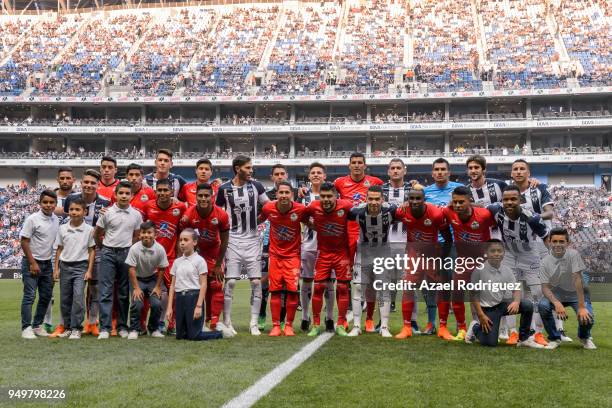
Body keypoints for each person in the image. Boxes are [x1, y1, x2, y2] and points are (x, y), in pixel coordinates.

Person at [487, 185, 550, 346]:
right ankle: (513, 333)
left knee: (536, 293)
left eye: (513, 199)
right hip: (508, 255)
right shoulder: (495, 209)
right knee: (509, 294)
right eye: (506, 199)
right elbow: (476, 208)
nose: (509, 202)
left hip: (529, 255)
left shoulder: (532, 218)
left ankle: (537, 333)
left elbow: (546, 237)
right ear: (502, 200)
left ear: (520, 200)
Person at [216, 155, 269, 335]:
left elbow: (268, 208)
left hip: (253, 240)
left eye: (251, 167)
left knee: (255, 282)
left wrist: (257, 220)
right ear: (237, 168)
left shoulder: (257, 186)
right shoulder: (224, 189)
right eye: (247, 167)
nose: (251, 170)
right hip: (232, 239)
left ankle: (253, 323)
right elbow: (218, 214)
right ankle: (227, 321)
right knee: (230, 282)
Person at [334, 152, 383, 331]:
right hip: (346, 234)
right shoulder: (339, 183)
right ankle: (344, 316)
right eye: (353, 162)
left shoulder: (375, 182)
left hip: (368, 235)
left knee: (370, 279)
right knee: (345, 278)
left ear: (365, 165)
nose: (356, 165)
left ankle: (369, 318)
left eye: (359, 162)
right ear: (349, 165)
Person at [394, 186, 451, 339]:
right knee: (408, 288)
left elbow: (447, 237)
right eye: (411, 198)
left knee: (440, 289)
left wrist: (444, 257)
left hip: (433, 254)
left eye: (418, 198)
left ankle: (442, 327)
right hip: (414, 253)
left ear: (424, 199)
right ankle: (406, 327)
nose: (414, 201)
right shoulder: (402, 211)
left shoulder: (435, 213)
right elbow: (390, 214)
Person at [464, 240, 544, 348]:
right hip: (487, 310)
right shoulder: (479, 271)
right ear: (486, 253)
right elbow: (474, 295)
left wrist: (516, 301)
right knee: (491, 343)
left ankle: (524, 339)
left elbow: (516, 289)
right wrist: (481, 315)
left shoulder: (507, 270)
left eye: (499, 251)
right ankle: (475, 327)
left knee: (527, 305)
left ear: (503, 253)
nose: (496, 254)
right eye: (493, 251)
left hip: (501, 305)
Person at [441, 186, 497, 341]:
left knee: (486, 297)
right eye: (455, 202)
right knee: (457, 294)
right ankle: (462, 329)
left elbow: (496, 224)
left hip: (483, 261)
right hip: (463, 259)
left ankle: (491, 328)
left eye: (461, 202)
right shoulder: (448, 212)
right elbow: (442, 223)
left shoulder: (484, 214)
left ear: (470, 201)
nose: (458, 205)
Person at [63, 169, 112, 337]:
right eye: (86, 182)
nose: (89, 185)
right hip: (74, 252)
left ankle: (92, 322)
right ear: (81, 183)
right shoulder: (71, 199)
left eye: (93, 183)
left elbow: (106, 227)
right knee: (74, 291)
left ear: (98, 185)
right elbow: (66, 220)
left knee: (95, 288)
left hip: (96, 252)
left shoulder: (105, 202)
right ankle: (70, 324)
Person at [347, 185, 397, 338]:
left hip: (383, 252)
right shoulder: (357, 212)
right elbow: (343, 213)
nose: (374, 202)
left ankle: (384, 326)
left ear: (382, 199)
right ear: (366, 199)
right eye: (371, 199)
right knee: (358, 288)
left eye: (377, 199)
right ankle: (356, 326)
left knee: (383, 290)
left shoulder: (391, 211)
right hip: (364, 252)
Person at [304, 182, 354, 337]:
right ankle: (316, 324)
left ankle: (340, 324)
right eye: (323, 196)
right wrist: (314, 226)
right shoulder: (313, 206)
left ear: (336, 196)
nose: (325, 199)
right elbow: (302, 216)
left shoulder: (346, 206)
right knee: (318, 288)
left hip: (342, 254)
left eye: (329, 196)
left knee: (343, 288)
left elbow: (358, 217)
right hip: (324, 254)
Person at [94, 181, 142, 339]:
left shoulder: (136, 214)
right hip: (108, 252)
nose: (124, 196)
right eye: (121, 193)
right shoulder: (107, 213)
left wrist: (129, 249)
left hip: (126, 254)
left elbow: (136, 236)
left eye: (127, 193)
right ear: (115, 194)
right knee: (106, 292)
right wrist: (103, 247)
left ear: (131, 195)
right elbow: (97, 233)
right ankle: (105, 328)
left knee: (123, 293)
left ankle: (122, 326)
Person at [422, 158, 464, 335]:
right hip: (431, 244)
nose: (439, 172)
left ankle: (458, 323)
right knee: (430, 284)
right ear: (432, 173)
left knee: (454, 284)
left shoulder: (458, 189)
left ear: (449, 172)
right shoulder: (425, 192)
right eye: (436, 169)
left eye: (443, 169)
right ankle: (432, 323)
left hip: (453, 243)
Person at [260, 181, 307, 336]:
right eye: (281, 192)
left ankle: (288, 325)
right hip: (275, 256)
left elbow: (311, 222)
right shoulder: (268, 208)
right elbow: (257, 220)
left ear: (292, 195)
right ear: (276, 194)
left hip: (293, 257)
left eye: (287, 193)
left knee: (292, 292)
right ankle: (275, 326)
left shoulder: (300, 209)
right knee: (275, 291)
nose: (284, 195)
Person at [181, 183, 229, 332]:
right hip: (197, 254)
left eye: (206, 196)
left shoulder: (221, 214)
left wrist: (218, 264)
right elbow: (183, 240)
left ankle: (213, 321)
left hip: (214, 253)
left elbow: (225, 241)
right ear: (196, 197)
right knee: (196, 286)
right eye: (200, 196)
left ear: (212, 197)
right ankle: (198, 320)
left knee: (215, 284)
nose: (203, 198)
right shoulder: (188, 215)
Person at [166, 229, 230, 341]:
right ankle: (198, 329)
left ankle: (220, 333)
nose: (182, 243)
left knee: (194, 336)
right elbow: (172, 286)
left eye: (186, 240)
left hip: (193, 298)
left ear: (194, 242)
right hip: (180, 298)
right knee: (180, 336)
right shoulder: (177, 262)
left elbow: (203, 284)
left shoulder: (199, 261)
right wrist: (169, 307)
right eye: (180, 240)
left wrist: (199, 306)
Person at [538, 228, 596, 350]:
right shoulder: (544, 261)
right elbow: (545, 288)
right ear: (549, 242)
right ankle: (554, 338)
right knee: (543, 306)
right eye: (554, 241)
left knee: (587, 316)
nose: (558, 244)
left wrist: (581, 307)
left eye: (561, 241)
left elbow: (578, 281)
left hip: (576, 293)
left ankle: (584, 337)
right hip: (556, 294)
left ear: (567, 243)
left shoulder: (574, 255)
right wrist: (557, 303)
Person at [143, 178, 187, 334]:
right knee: (151, 293)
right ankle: (149, 324)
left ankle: (170, 324)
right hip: (150, 258)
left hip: (171, 259)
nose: (162, 193)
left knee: (174, 293)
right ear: (155, 192)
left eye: (165, 190)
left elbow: (184, 229)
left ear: (171, 192)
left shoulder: (180, 207)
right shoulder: (148, 206)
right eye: (159, 190)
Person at [383, 158, 420, 330]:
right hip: (386, 243)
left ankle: (412, 322)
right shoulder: (381, 190)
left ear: (405, 170)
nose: (396, 170)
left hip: (408, 243)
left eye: (399, 168)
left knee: (409, 284)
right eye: (393, 168)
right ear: (388, 171)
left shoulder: (412, 189)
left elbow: (422, 207)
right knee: (385, 283)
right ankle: (383, 323)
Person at [297, 162, 335, 333]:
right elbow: (298, 216)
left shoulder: (333, 194)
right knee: (306, 280)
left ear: (324, 176)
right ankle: (305, 317)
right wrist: (313, 226)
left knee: (328, 282)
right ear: (309, 176)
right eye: (313, 172)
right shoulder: (303, 197)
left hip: (329, 245)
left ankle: (329, 318)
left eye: (319, 172)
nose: (316, 175)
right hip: (309, 244)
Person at [53, 198, 95, 340]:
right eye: (71, 209)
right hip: (65, 266)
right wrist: (56, 268)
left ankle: (77, 328)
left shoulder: (89, 230)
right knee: (65, 299)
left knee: (78, 297)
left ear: (85, 212)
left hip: (81, 267)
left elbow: (91, 251)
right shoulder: (62, 228)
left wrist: (89, 270)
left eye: (77, 209)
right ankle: (67, 327)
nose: (74, 212)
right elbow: (59, 249)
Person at [20, 190, 60, 339]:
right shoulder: (33, 219)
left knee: (46, 296)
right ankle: (26, 328)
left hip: (47, 263)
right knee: (30, 296)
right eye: (45, 202)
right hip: (32, 263)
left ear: (55, 204)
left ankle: (37, 326)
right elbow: (24, 241)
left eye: (51, 202)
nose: (48, 205)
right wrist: (32, 262)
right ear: (40, 203)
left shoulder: (55, 219)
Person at [125, 221, 168, 340]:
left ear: (156, 234)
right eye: (143, 232)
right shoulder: (134, 248)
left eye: (149, 232)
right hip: (137, 279)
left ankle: (153, 329)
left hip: (153, 279)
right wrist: (136, 288)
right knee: (137, 304)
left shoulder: (160, 249)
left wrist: (158, 286)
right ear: (139, 234)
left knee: (157, 304)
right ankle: (134, 329)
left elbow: (162, 268)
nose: (146, 235)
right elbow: (131, 268)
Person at [47, 167, 76, 337]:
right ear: (58, 180)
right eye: (62, 178)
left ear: (73, 180)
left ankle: (68, 324)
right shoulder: (50, 198)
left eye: (68, 178)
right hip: (50, 250)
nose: (65, 181)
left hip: (71, 251)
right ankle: (48, 323)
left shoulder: (77, 198)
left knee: (70, 291)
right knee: (47, 289)